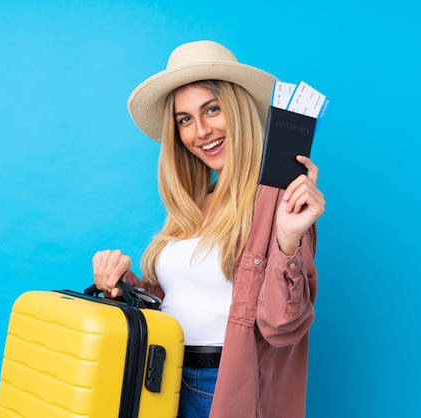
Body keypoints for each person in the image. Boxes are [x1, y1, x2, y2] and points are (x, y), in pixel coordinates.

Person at [92, 40, 325, 418]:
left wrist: (287, 240)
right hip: (161, 378)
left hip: (220, 384)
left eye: (212, 109)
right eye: (185, 119)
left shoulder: (278, 201)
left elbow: (284, 326)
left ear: (237, 110)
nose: (200, 131)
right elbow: (176, 301)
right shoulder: (194, 204)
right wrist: (122, 285)